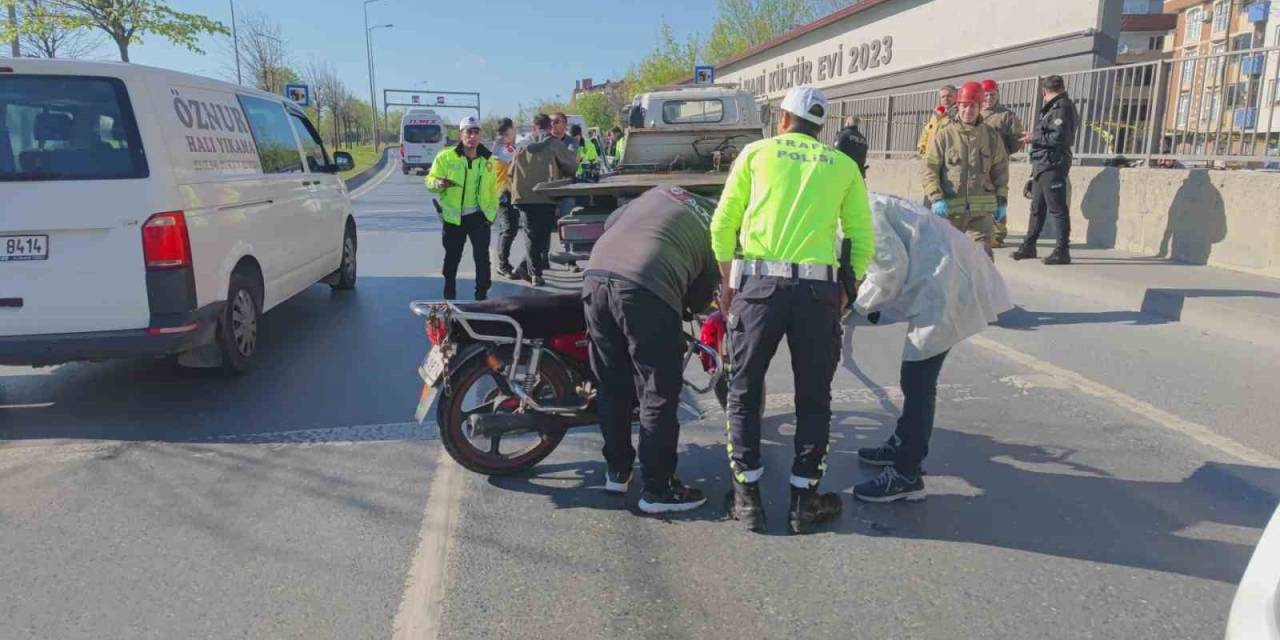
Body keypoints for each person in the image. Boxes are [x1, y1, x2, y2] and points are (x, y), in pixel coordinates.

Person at [710, 85, 874, 535]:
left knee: (743, 392)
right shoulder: (843, 166)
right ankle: (805, 502)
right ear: (820, 128)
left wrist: (727, 282)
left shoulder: (756, 154)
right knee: (814, 398)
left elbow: (723, 222)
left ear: (783, 119)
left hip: (760, 288)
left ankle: (747, 498)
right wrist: (847, 290)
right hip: (818, 293)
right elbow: (861, 237)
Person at [850, 194, 1012, 502]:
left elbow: (889, 271)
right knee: (915, 377)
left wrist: (853, 307)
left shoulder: (863, 211)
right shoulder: (864, 202)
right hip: (942, 275)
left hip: (948, 284)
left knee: (918, 378)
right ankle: (902, 441)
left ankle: (906, 473)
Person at [583, 186, 720, 514]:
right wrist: (688, 308)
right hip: (646, 284)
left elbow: (611, 223)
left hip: (596, 277)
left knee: (612, 384)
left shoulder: (662, 192)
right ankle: (658, 489)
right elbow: (703, 293)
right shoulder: (720, 223)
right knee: (658, 391)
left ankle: (617, 472)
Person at [921, 81, 1009, 258]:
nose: (967, 111)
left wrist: (1002, 200)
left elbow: (1001, 172)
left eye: (972, 106)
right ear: (958, 106)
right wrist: (936, 197)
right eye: (964, 106)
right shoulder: (944, 134)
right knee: (949, 262)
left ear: (979, 107)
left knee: (982, 258)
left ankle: (983, 287)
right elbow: (929, 169)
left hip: (980, 215)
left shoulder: (991, 137)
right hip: (950, 213)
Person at [425, 115, 499, 300]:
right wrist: (439, 183)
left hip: (479, 217)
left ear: (480, 135)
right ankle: (449, 292)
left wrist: (491, 214)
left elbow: (494, 189)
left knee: (482, 258)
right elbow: (429, 181)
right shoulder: (446, 157)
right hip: (454, 218)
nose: (472, 136)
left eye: (476, 132)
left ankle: (481, 296)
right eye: (468, 132)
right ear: (461, 134)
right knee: (452, 257)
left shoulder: (489, 160)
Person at [1014, 75, 1078, 265]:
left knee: (1057, 209)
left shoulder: (1062, 108)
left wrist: (1034, 138)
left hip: (1053, 164)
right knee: (1037, 208)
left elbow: (1059, 139)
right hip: (1042, 164)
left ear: (1043, 92)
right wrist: (1035, 137)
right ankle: (1029, 245)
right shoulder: (1055, 107)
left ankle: (1062, 251)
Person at [511, 113, 577, 286]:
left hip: (523, 197)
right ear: (549, 126)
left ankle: (526, 269)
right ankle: (535, 274)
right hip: (546, 194)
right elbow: (570, 166)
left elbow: (511, 171)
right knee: (541, 235)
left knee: (531, 234)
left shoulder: (521, 145)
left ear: (534, 126)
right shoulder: (554, 143)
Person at [979, 79, 1025, 249]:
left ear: (997, 95)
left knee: (999, 196)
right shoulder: (974, 112)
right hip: (977, 162)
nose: (989, 98)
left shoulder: (1006, 115)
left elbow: (1016, 139)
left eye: (992, 94)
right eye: (986, 95)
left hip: (998, 162)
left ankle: (998, 235)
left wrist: (1003, 152)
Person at [491, 118, 521, 279]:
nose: (515, 132)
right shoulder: (503, 149)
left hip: (510, 193)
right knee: (508, 229)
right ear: (507, 132)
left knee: (511, 228)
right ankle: (502, 265)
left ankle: (504, 264)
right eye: (513, 130)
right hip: (503, 193)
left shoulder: (504, 147)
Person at [916, 84, 957, 158]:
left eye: (949, 96)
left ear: (956, 97)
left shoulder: (959, 115)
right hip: (931, 156)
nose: (946, 99)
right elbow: (927, 131)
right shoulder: (936, 114)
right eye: (943, 97)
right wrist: (922, 147)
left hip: (947, 158)